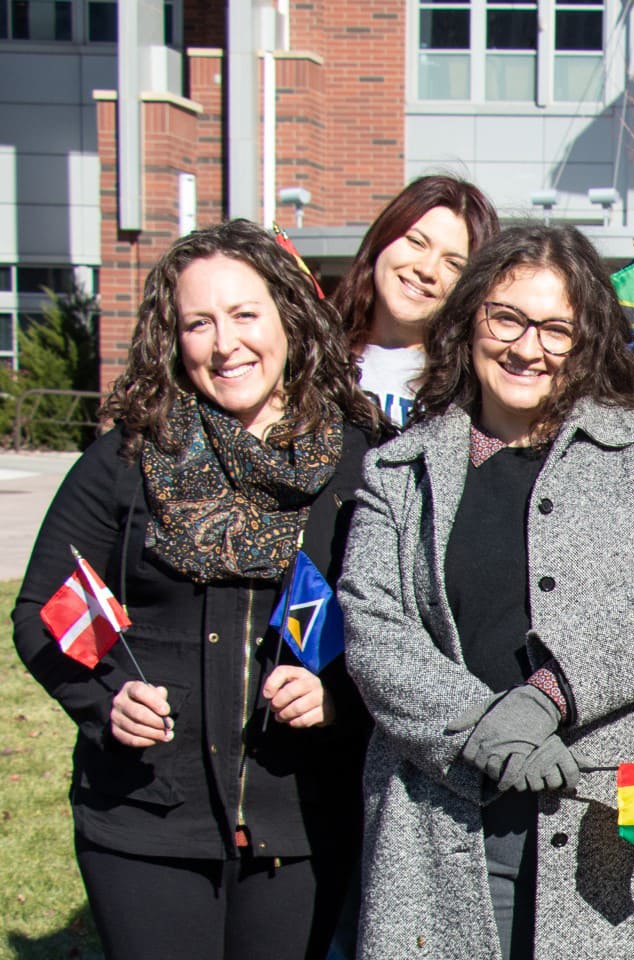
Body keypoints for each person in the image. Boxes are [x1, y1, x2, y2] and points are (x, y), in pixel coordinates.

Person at [339, 225, 634, 959]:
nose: (527, 347)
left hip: (612, 826)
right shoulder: (398, 472)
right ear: (469, 320)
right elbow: (374, 626)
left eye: (556, 328)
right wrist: (483, 728)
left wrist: (547, 695)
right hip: (443, 813)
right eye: (507, 317)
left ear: (587, 343)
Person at [11, 219, 379, 960]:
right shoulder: (126, 459)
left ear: (289, 318)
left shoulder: (357, 465)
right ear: (171, 338)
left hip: (299, 817)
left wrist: (336, 694)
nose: (225, 343)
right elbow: (41, 612)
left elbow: (398, 624)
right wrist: (106, 696)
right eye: (198, 322)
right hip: (145, 816)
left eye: (245, 314)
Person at [334, 174, 498, 429]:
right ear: (382, 238)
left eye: (453, 264)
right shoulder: (314, 355)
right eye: (416, 242)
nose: (427, 270)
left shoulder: (473, 392)